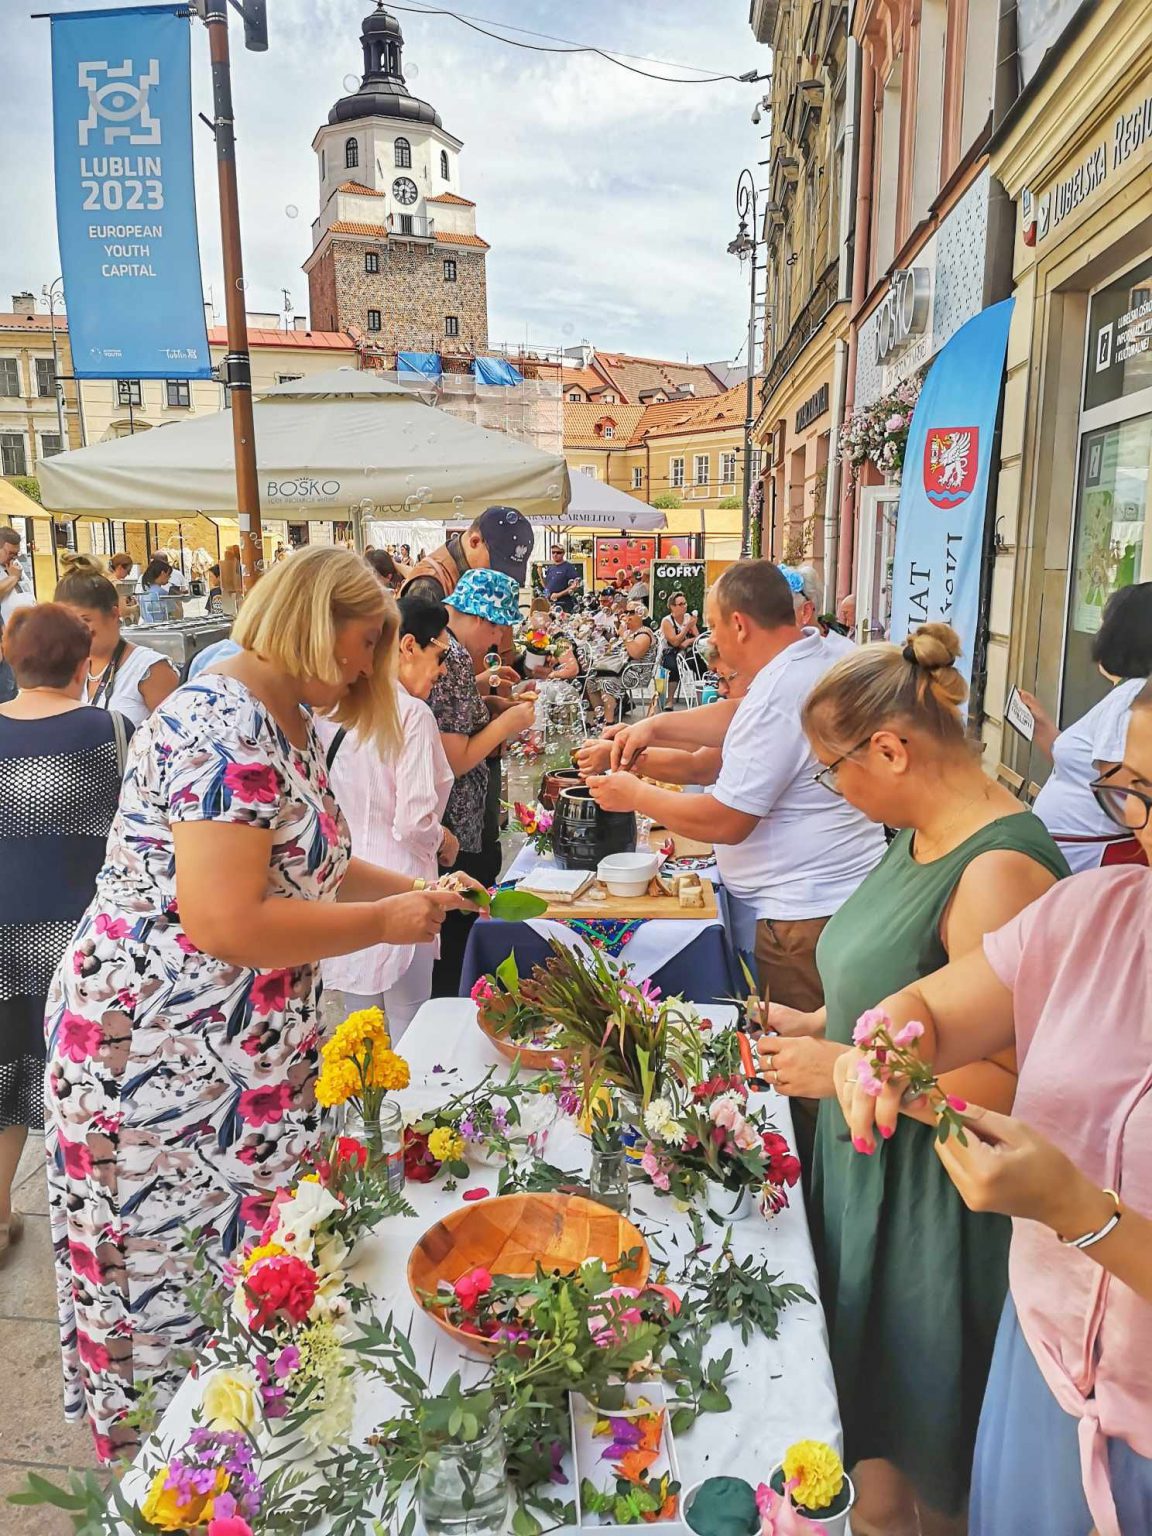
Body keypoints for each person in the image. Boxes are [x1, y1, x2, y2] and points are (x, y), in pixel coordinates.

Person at [44, 548, 469, 1457]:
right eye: (361, 644)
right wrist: (387, 918)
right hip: (158, 1059)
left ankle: (238, 1470)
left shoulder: (288, 717)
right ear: (313, 620)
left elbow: (304, 858)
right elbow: (228, 919)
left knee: (249, 1277)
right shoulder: (221, 721)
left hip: (231, 1055)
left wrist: (411, 893)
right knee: (176, 1299)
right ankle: (178, 1484)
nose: (365, 667)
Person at [756, 624, 1068, 1536]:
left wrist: (845, 1065)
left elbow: (1013, 1083)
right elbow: (900, 993)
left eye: (833, 769)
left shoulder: (998, 868)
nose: (835, 789)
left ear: (890, 749)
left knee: (927, 1464)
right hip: (876, 1177)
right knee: (873, 1452)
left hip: (936, 1211)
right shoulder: (923, 834)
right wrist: (824, 1024)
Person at [833, 676, 1152, 1536]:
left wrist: (1078, 1212)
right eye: (1138, 795)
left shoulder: (1003, 861)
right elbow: (935, 1009)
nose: (1146, 831)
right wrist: (885, 1037)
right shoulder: (1099, 914)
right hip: (1043, 1364)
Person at [593, 561, 885, 1029]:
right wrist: (652, 727)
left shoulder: (782, 688)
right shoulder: (814, 655)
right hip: (832, 898)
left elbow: (727, 819)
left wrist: (634, 795)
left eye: (711, 626)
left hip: (802, 916)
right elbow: (738, 718)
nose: (711, 640)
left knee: (802, 1065)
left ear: (739, 625)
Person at [0, 605, 129, 1261]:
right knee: (90, 1080)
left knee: (2, 1076)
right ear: (86, 665)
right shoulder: (109, 731)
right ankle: (97, 1222)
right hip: (85, 943)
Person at [318, 594, 457, 1039]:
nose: (442, 671)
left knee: (362, 1034)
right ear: (408, 646)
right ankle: (412, 1111)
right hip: (404, 886)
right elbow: (414, 822)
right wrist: (444, 840)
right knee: (410, 1028)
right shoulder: (413, 716)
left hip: (349, 886)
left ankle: (371, 1111)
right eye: (441, 655)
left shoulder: (331, 709)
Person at [426, 568, 537, 995]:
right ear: (482, 619)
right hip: (457, 818)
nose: (496, 645)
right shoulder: (451, 657)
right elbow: (455, 759)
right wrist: (509, 721)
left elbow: (447, 715)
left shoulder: (447, 650)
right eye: (498, 632)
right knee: (456, 939)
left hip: (455, 819)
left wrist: (481, 693)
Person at [1022, 582, 1151, 872]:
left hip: (1085, 860)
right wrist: (1044, 728)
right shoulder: (1127, 693)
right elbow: (1082, 771)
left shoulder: (1132, 698)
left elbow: (1117, 787)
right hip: (1074, 854)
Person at [55, 554, 180, 726]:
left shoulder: (150, 669)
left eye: (85, 620)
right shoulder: (66, 669)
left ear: (114, 614)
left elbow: (180, 740)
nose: (74, 631)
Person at [584, 603, 655, 726]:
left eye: (632, 612)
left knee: (606, 681)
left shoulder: (644, 633)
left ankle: (609, 721)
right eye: (626, 612)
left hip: (635, 673)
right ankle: (600, 716)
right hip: (619, 670)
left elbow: (635, 653)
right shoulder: (629, 632)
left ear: (641, 615)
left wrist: (623, 635)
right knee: (591, 678)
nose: (628, 615)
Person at [654, 591, 704, 709]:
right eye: (681, 604)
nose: (684, 606)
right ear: (672, 607)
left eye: (685, 603)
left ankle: (701, 699)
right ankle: (669, 700)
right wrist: (687, 627)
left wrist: (688, 641)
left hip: (685, 651)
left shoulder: (688, 617)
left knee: (699, 662)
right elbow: (675, 642)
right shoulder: (667, 621)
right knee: (674, 666)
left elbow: (698, 637)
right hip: (669, 652)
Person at [0, 526, 32, 624]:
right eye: (10, 553)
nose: (14, 557)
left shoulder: (15, 563)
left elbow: (27, 590)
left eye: (16, 553)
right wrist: (13, 577)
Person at [136, 555, 182, 623]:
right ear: (163, 573)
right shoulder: (162, 594)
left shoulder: (145, 593)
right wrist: (177, 599)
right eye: (169, 574)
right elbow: (177, 615)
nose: (169, 577)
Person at [542, 543, 582, 613]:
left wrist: (559, 594)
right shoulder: (550, 568)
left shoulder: (568, 567)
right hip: (551, 605)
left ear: (563, 553)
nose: (555, 554)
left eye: (558, 552)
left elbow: (575, 585)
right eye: (553, 552)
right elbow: (547, 586)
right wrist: (545, 598)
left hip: (565, 604)